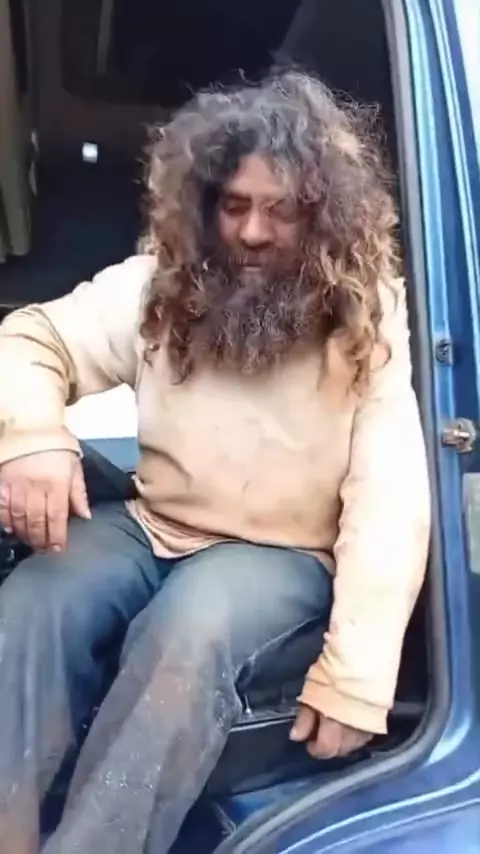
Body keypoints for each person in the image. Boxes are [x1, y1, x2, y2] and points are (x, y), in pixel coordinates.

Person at [0, 70, 430, 854]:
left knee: (190, 630)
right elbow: (32, 339)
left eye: (281, 210)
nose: (254, 232)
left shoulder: (372, 317)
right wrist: (33, 437)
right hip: (153, 525)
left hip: (281, 553)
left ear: (322, 212)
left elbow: (390, 501)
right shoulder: (162, 284)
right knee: (37, 597)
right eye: (234, 206)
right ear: (205, 206)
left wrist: (356, 678)